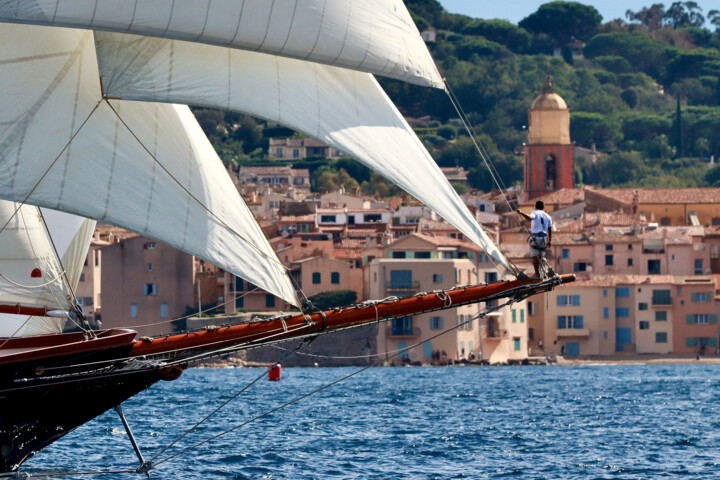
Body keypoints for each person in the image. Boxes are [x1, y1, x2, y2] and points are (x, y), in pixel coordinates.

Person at [516, 200, 553, 278]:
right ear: (543, 207)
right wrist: (549, 241)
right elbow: (549, 229)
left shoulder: (534, 212)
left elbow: (530, 218)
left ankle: (537, 274)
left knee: (535, 256)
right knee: (540, 256)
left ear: (535, 207)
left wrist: (521, 213)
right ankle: (542, 273)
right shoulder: (548, 216)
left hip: (536, 238)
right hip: (544, 239)